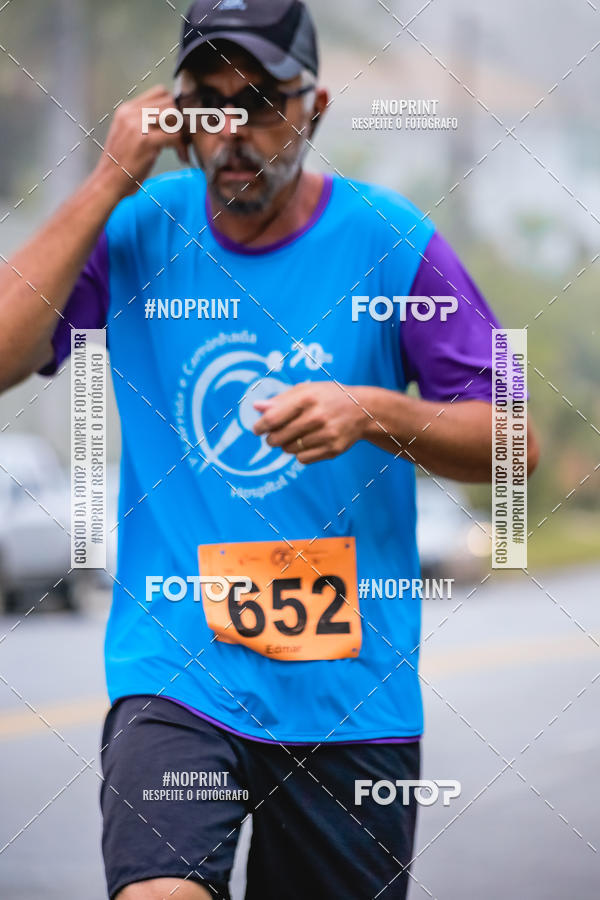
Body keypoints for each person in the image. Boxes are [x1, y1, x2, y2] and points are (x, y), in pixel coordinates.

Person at [0, 1, 539, 897]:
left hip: (350, 706)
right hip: (178, 678)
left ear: (314, 107)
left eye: (258, 102)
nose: (232, 132)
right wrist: (104, 184)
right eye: (206, 104)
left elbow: (514, 441)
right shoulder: (134, 231)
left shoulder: (393, 243)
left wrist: (372, 412)